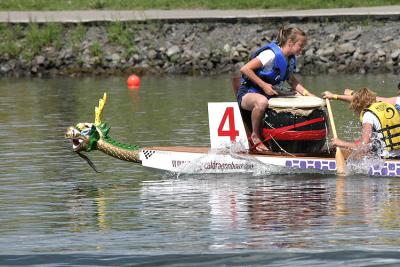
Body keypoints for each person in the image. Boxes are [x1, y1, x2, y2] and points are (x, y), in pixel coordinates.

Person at [237, 26, 314, 152]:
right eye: (301, 45)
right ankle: (255, 136)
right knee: (262, 102)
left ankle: (294, 140)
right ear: (290, 42)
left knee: (301, 99)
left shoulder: (290, 59)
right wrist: (263, 85)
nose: (302, 49)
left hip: (269, 93)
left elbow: (291, 80)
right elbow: (245, 69)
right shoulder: (270, 54)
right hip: (249, 93)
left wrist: (308, 94)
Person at [324, 87, 400, 158]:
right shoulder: (387, 105)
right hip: (397, 154)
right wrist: (334, 96)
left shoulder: (368, 115)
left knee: (358, 153)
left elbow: (363, 146)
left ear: (357, 106)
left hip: (386, 157)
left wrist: (341, 143)